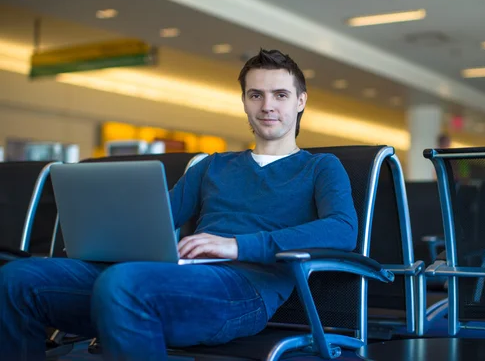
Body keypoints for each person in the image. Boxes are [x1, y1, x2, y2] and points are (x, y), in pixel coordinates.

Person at [0, 49, 358, 361]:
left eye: (280, 95)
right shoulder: (212, 166)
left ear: (300, 101)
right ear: (245, 102)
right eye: (256, 95)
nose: (267, 106)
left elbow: (342, 230)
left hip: (243, 290)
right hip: (174, 275)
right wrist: (106, 238)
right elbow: (157, 220)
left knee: (125, 283)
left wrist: (236, 245)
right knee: (17, 279)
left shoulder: (320, 167)